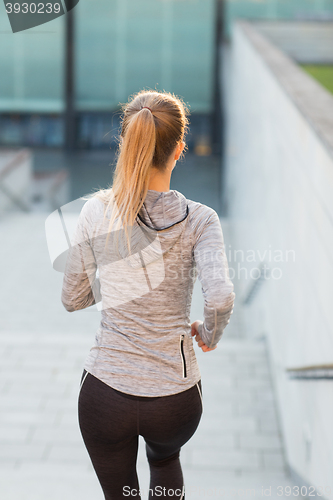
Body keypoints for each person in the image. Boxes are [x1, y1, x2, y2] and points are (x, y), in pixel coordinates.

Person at [61, 89, 235, 499]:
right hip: (174, 400)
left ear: (127, 144)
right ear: (179, 150)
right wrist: (208, 335)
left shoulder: (94, 211)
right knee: (164, 460)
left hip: (105, 396)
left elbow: (72, 297)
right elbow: (221, 297)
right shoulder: (202, 220)